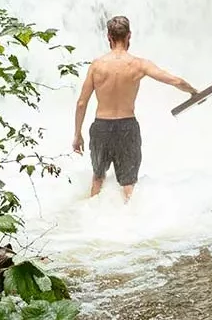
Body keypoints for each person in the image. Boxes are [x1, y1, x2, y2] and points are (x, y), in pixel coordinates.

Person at [72, 16, 198, 201]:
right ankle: (131, 224)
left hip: (101, 128)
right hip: (127, 127)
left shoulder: (97, 65)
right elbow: (174, 80)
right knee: (128, 183)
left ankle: (91, 224)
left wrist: (77, 134)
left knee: (98, 178)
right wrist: (193, 91)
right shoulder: (139, 64)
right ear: (129, 36)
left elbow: (81, 103)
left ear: (109, 37)